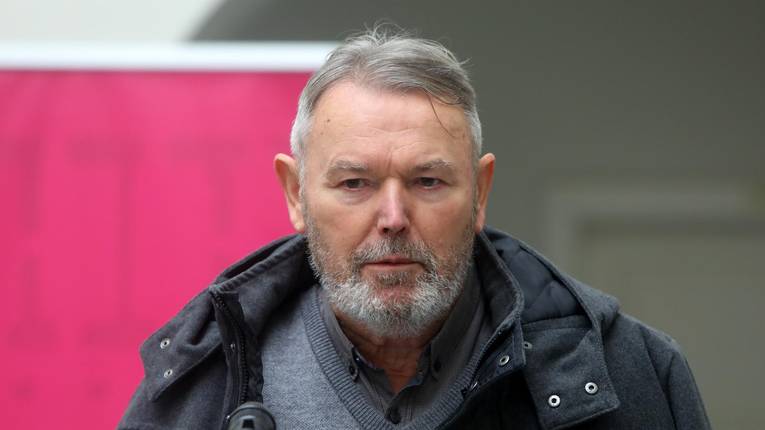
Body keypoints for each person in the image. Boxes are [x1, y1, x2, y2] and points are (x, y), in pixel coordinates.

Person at [119, 28, 711, 430]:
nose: (394, 218)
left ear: (480, 192)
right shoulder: (203, 387)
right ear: (296, 194)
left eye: (428, 181)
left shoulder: (629, 375)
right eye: (355, 183)